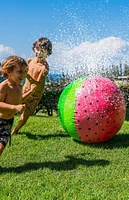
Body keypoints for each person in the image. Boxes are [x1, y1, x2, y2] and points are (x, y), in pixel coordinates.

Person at [11, 37, 52, 135]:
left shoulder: (44, 68)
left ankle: (15, 131)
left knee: (26, 114)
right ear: (34, 48)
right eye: (38, 50)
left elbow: (37, 84)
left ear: (48, 52)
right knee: (12, 105)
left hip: (35, 95)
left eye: (43, 51)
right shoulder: (30, 61)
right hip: (24, 89)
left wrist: (27, 75)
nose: (39, 53)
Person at [0, 55, 36, 156]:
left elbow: (20, 100)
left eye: (25, 71)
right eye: (20, 71)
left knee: (2, 145)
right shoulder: (4, 86)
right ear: (8, 71)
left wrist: (30, 92)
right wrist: (14, 107)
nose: (23, 75)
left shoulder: (19, 87)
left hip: (8, 122)